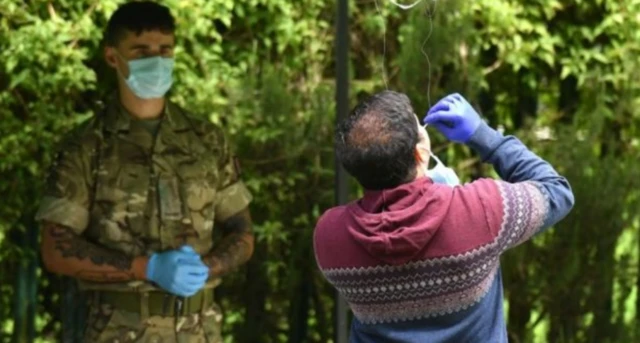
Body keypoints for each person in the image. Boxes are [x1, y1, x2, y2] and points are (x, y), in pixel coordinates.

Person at [36, 2, 254, 342]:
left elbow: (242, 232)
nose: (156, 59)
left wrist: (209, 267)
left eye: (164, 50)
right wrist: (146, 268)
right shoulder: (86, 146)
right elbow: (55, 249)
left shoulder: (206, 140)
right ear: (113, 57)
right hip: (117, 330)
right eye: (141, 51)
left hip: (200, 330)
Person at [313, 90, 574, 342]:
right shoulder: (482, 209)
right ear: (420, 153)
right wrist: (484, 137)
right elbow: (556, 192)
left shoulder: (330, 236)